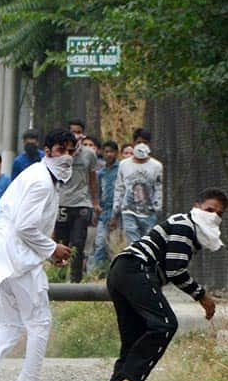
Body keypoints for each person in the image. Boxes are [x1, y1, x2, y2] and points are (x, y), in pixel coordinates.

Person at [97, 188, 226, 381]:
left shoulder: (191, 229)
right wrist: (202, 296)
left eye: (219, 214)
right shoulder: (186, 225)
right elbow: (174, 269)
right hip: (135, 269)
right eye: (209, 209)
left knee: (133, 342)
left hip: (123, 271)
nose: (213, 216)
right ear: (197, 206)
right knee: (165, 324)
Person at [0, 129, 76, 381]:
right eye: (60, 149)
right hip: (17, 262)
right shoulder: (41, 182)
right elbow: (25, 226)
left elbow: (26, 224)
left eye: (70, 150)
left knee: (11, 322)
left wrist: (48, 251)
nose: (66, 156)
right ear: (47, 150)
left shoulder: (37, 177)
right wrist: (52, 248)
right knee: (40, 322)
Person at [56, 119, 101, 283]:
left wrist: (95, 202)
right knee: (61, 242)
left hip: (82, 204)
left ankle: (76, 281)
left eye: (78, 132)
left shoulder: (89, 154)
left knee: (78, 243)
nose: (75, 135)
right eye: (72, 131)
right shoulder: (59, 152)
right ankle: (58, 279)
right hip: (62, 203)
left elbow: (93, 178)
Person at [111, 128, 163, 244]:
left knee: (147, 243)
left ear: (149, 144)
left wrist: (157, 208)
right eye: (139, 142)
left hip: (148, 212)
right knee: (133, 244)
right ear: (134, 143)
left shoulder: (156, 166)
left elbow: (158, 188)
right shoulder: (124, 165)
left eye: (145, 142)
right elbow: (119, 187)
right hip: (128, 210)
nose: (142, 145)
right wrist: (116, 210)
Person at [89, 141, 120, 269]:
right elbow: (98, 193)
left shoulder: (121, 169)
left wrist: (116, 215)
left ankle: (116, 272)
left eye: (112, 152)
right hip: (103, 212)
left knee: (116, 245)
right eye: (106, 152)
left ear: (116, 153)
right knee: (100, 243)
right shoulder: (100, 173)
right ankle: (96, 273)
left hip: (118, 212)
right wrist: (96, 211)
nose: (109, 155)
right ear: (102, 152)